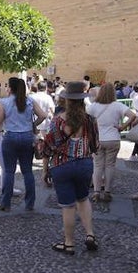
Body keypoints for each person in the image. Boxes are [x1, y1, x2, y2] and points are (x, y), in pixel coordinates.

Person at [43, 81, 100, 254]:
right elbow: (96, 146)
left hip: (62, 165)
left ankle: (69, 243)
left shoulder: (57, 121)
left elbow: (48, 147)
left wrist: (45, 170)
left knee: (68, 206)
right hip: (84, 164)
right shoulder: (90, 120)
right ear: (83, 100)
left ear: (67, 100)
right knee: (83, 199)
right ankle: (90, 234)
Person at [0, 77, 51, 212]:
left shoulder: (4, 102)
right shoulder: (30, 101)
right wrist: (32, 125)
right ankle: (30, 203)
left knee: (9, 171)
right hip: (27, 136)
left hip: (10, 137)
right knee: (27, 171)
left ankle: (5, 203)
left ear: (11, 88)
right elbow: (43, 115)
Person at [86, 82, 138, 202]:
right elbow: (132, 116)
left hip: (99, 139)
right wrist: (122, 127)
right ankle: (107, 191)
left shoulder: (94, 106)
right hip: (113, 138)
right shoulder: (118, 105)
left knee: (97, 166)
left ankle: (96, 192)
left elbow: (86, 120)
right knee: (110, 166)